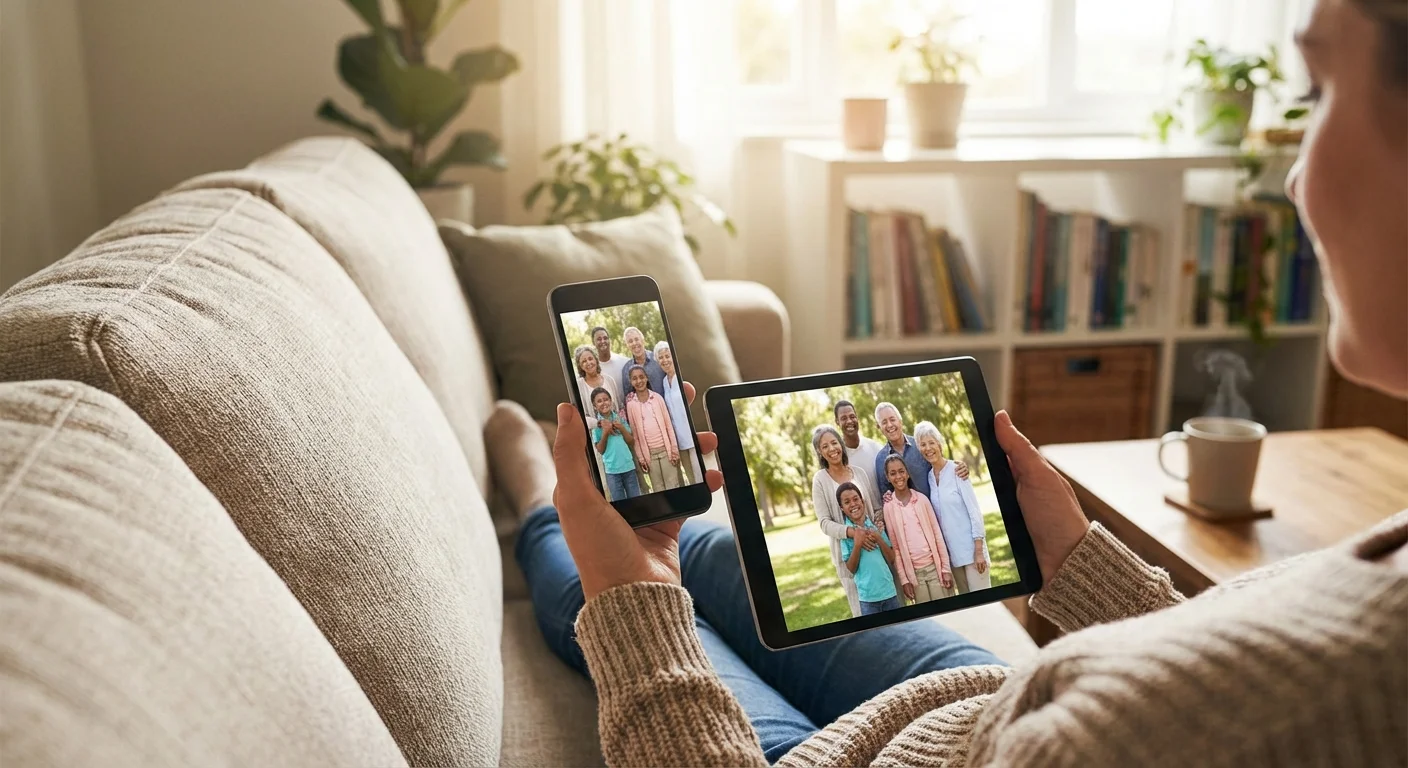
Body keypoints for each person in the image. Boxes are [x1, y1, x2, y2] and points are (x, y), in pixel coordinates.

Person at [489, 4, 1407, 762]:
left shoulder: (1346, 689)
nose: (1291, 172)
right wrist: (1075, 564)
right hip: (983, 698)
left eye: (1319, 92)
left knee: (624, 575)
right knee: (722, 551)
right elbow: (1223, 676)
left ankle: (536, 498)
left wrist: (631, 594)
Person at [809, 424, 883, 617]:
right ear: (819, 451)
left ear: (841, 444)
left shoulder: (859, 472)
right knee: (862, 612)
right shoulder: (820, 480)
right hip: (848, 556)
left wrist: (877, 527)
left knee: (885, 603)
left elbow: (875, 509)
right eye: (825, 446)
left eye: (834, 443)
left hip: (873, 548)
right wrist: (852, 533)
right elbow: (824, 523)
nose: (831, 449)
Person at [916, 421, 991, 594]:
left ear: (939, 444)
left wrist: (979, 551)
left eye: (932, 443)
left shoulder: (957, 470)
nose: (928, 448)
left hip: (973, 551)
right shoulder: (929, 478)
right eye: (923, 444)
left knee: (984, 604)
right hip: (954, 555)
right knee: (967, 606)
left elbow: (974, 512)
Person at [880, 454, 953, 603]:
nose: (898, 476)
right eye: (892, 473)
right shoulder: (888, 507)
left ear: (907, 473)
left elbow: (937, 535)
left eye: (901, 471)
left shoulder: (921, 500)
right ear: (887, 477)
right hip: (914, 576)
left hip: (935, 568)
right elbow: (895, 547)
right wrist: (904, 579)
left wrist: (945, 568)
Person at [836, 482, 901, 615]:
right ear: (842, 508)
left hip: (889, 592)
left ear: (863, 502)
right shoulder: (846, 536)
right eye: (847, 502)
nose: (853, 504)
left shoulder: (876, 526)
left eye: (855, 499)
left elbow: (891, 557)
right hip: (868, 600)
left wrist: (878, 538)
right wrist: (857, 545)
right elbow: (851, 568)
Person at [623, 364, 679, 492]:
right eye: (635, 378)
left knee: (673, 486)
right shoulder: (631, 405)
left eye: (642, 377)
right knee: (658, 489)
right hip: (650, 456)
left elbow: (668, 426)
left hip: (666, 451)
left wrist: (674, 450)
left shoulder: (657, 398)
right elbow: (635, 434)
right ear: (631, 382)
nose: (639, 381)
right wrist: (642, 458)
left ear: (647, 378)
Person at [654, 341, 700, 487]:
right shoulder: (664, 382)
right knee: (691, 479)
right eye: (661, 357)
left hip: (692, 435)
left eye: (667, 356)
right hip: (679, 439)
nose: (665, 360)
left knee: (700, 475)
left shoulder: (682, 376)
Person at [872, 402, 935, 499]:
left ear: (900, 421)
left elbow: (939, 467)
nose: (889, 425)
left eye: (892, 419)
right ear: (879, 427)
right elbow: (886, 493)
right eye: (884, 422)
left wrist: (956, 466)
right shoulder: (881, 459)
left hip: (934, 508)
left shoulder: (919, 444)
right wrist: (887, 496)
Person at [589, 388, 640, 501]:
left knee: (637, 501)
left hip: (628, 468)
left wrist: (622, 428)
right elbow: (601, 450)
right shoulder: (596, 426)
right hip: (612, 472)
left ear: (611, 401)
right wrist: (605, 433)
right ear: (594, 405)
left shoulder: (620, 419)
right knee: (620, 505)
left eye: (606, 399)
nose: (604, 403)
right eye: (599, 401)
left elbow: (631, 442)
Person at [574, 345, 619, 432]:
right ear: (580, 366)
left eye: (590, 359)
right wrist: (598, 423)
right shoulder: (579, 385)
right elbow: (579, 415)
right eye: (584, 361)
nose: (588, 363)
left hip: (616, 430)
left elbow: (618, 407)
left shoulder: (609, 380)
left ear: (596, 360)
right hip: (596, 434)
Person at [833, 400, 884, 475]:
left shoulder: (875, 448)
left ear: (857, 418)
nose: (849, 421)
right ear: (837, 422)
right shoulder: (839, 458)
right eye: (844, 418)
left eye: (852, 416)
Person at [591, 326, 631, 406]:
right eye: (599, 339)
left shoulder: (624, 362)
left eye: (605, 338)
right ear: (593, 343)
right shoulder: (592, 369)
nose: (603, 341)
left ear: (609, 340)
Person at [622, 326, 666, 397]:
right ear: (627, 345)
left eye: (636, 339)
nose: (634, 343)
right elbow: (628, 397)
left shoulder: (657, 358)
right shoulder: (626, 369)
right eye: (630, 341)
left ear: (642, 340)